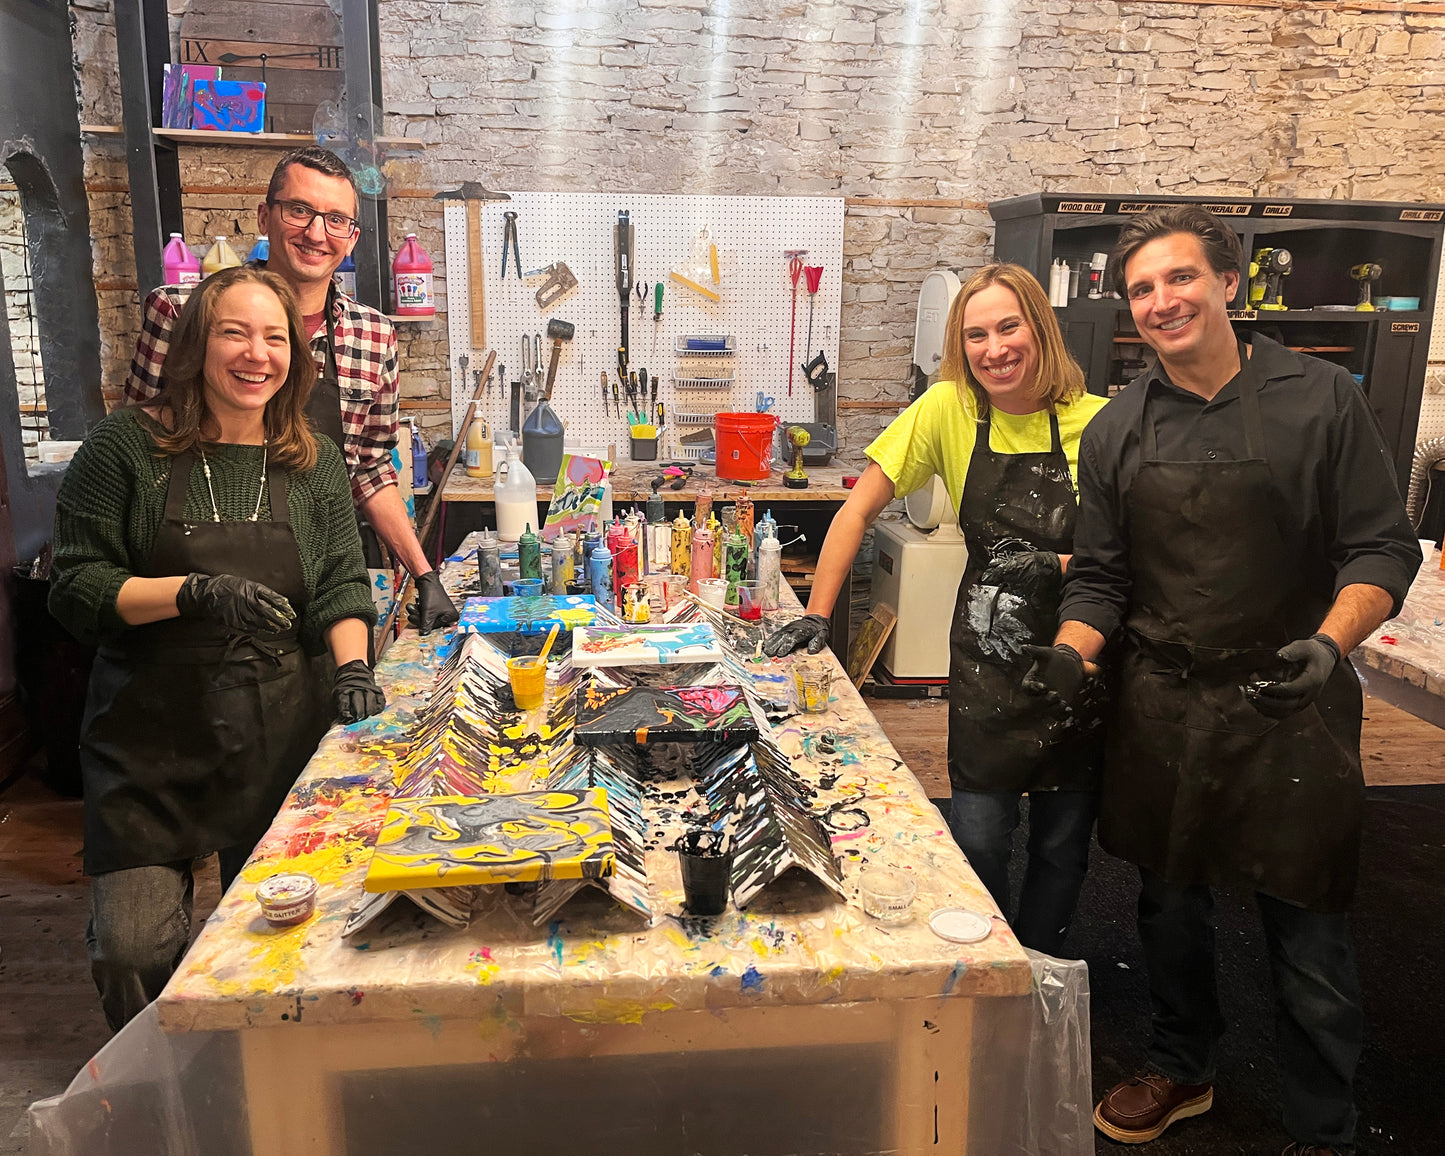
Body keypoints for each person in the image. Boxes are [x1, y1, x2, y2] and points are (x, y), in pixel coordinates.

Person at [1032, 206, 1422, 1154]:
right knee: (1168, 908)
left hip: (1293, 699)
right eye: (1142, 288)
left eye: (1179, 278)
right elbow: (1101, 577)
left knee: (1307, 927)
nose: (1161, 301)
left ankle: (1322, 1124)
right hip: (1164, 703)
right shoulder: (1117, 427)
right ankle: (1182, 1066)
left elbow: (1381, 546)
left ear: (1228, 284)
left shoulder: (1320, 398)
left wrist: (1328, 644)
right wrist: (1071, 652)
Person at [50, 267, 386, 1030]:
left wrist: (352, 666)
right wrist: (191, 592)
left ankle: (256, 1080)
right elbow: (76, 585)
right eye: (234, 333)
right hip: (150, 744)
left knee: (275, 942)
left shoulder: (312, 458)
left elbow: (340, 583)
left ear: (294, 355)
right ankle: (156, 1082)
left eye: (274, 338)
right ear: (196, 345)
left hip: (276, 733)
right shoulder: (123, 448)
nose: (256, 354)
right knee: (131, 950)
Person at [764, 263, 1109, 956]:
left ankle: (1042, 970)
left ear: (1040, 329)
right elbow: (856, 510)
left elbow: (1130, 556)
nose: (994, 349)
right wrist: (817, 615)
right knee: (978, 837)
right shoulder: (947, 408)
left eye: (1009, 327)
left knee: (1062, 844)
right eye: (976, 335)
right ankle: (987, 962)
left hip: (1082, 658)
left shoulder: (1102, 422)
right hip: (987, 660)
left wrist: (1055, 565)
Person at [123, 146, 458, 635]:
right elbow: (134, 448)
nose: (316, 233)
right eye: (299, 210)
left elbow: (369, 470)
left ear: (352, 238)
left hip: (320, 585)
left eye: (336, 220)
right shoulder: (181, 312)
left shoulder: (372, 335)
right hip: (192, 585)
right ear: (265, 216)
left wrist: (423, 573)